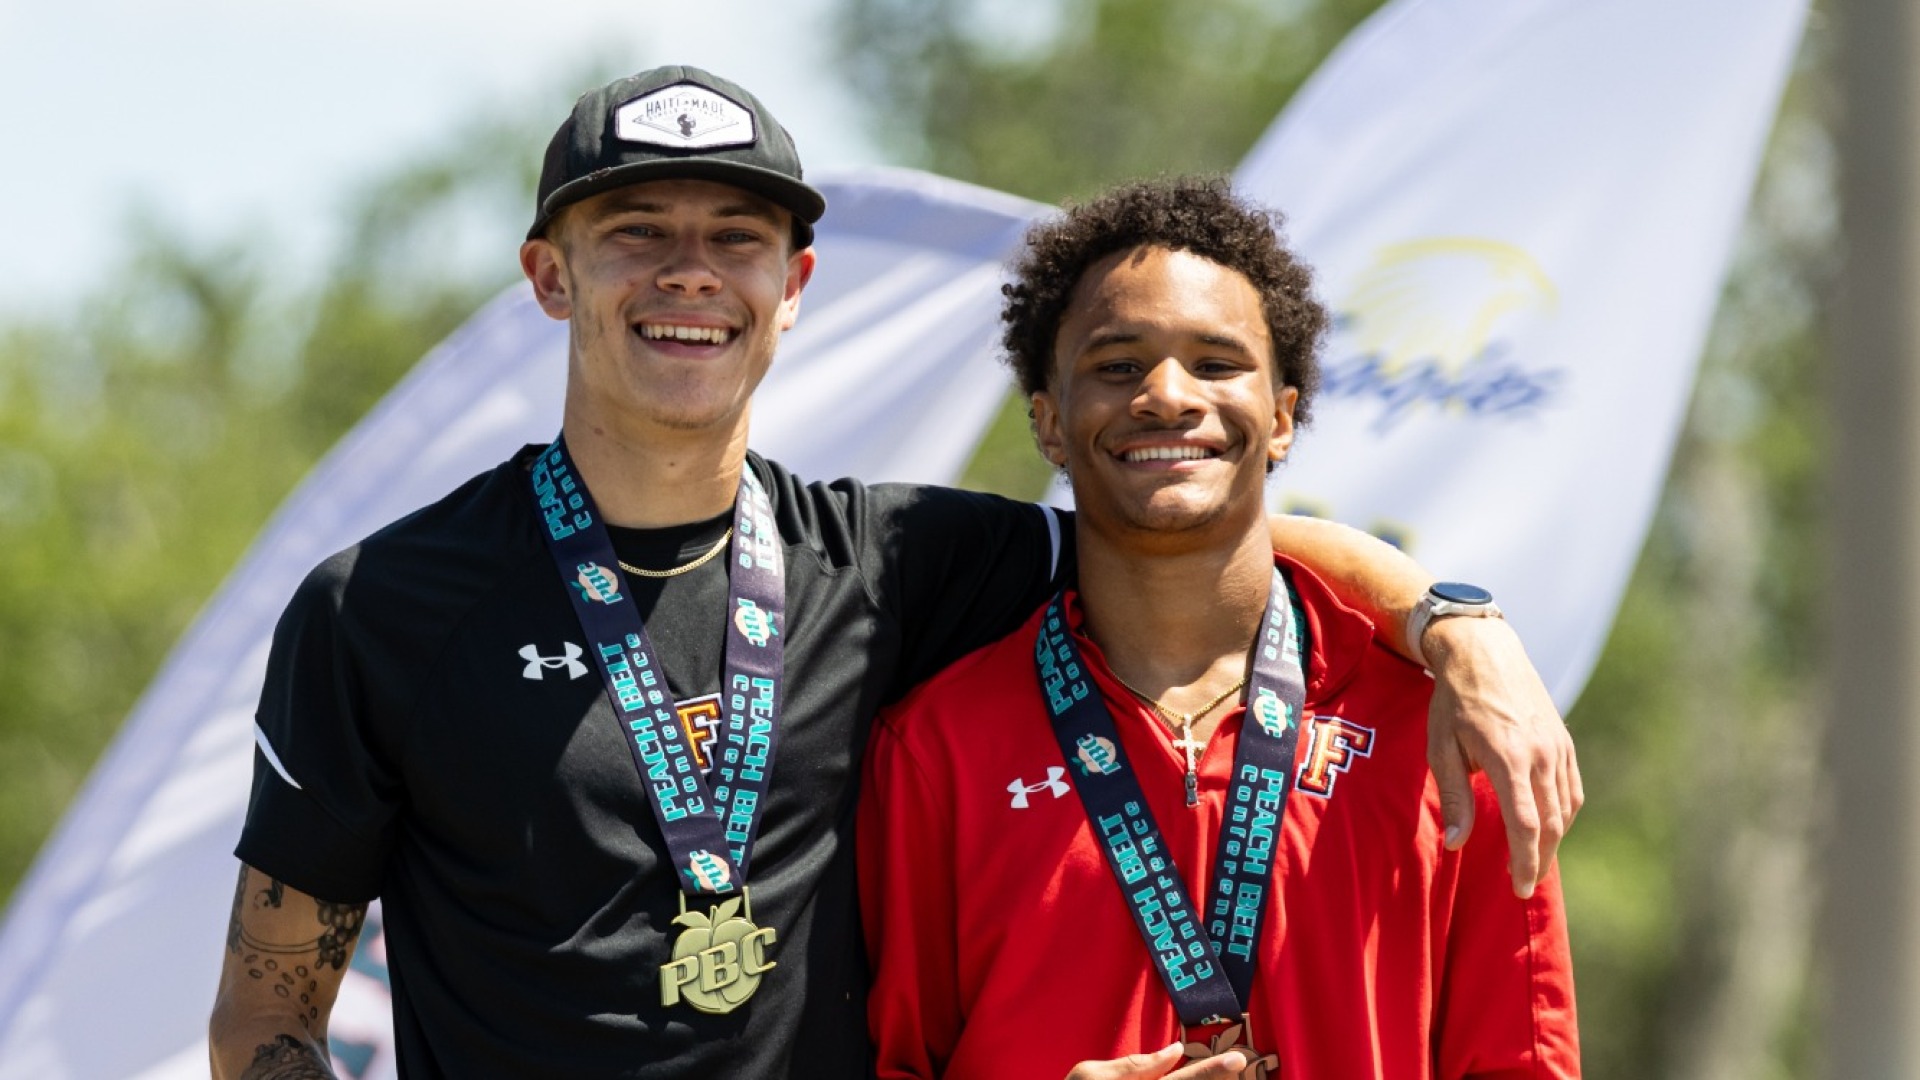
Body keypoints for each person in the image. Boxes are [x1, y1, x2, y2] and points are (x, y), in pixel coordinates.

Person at [208, 67, 1578, 1079]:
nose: (691, 274)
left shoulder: (896, 565)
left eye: (735, 238)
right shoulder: (378, 609)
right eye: (637, 230)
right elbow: (269, 1017)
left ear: (794, 282)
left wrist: (1456, 623)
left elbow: (1184, 515)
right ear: (549, 274)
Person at [859, 178, 1580, 1079]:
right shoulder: (936, 747)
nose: (1166, 396)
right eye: (1117, 365)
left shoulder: (1447, 735)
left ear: (1282, 416)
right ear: (1048, 420)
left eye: (1215, 363)